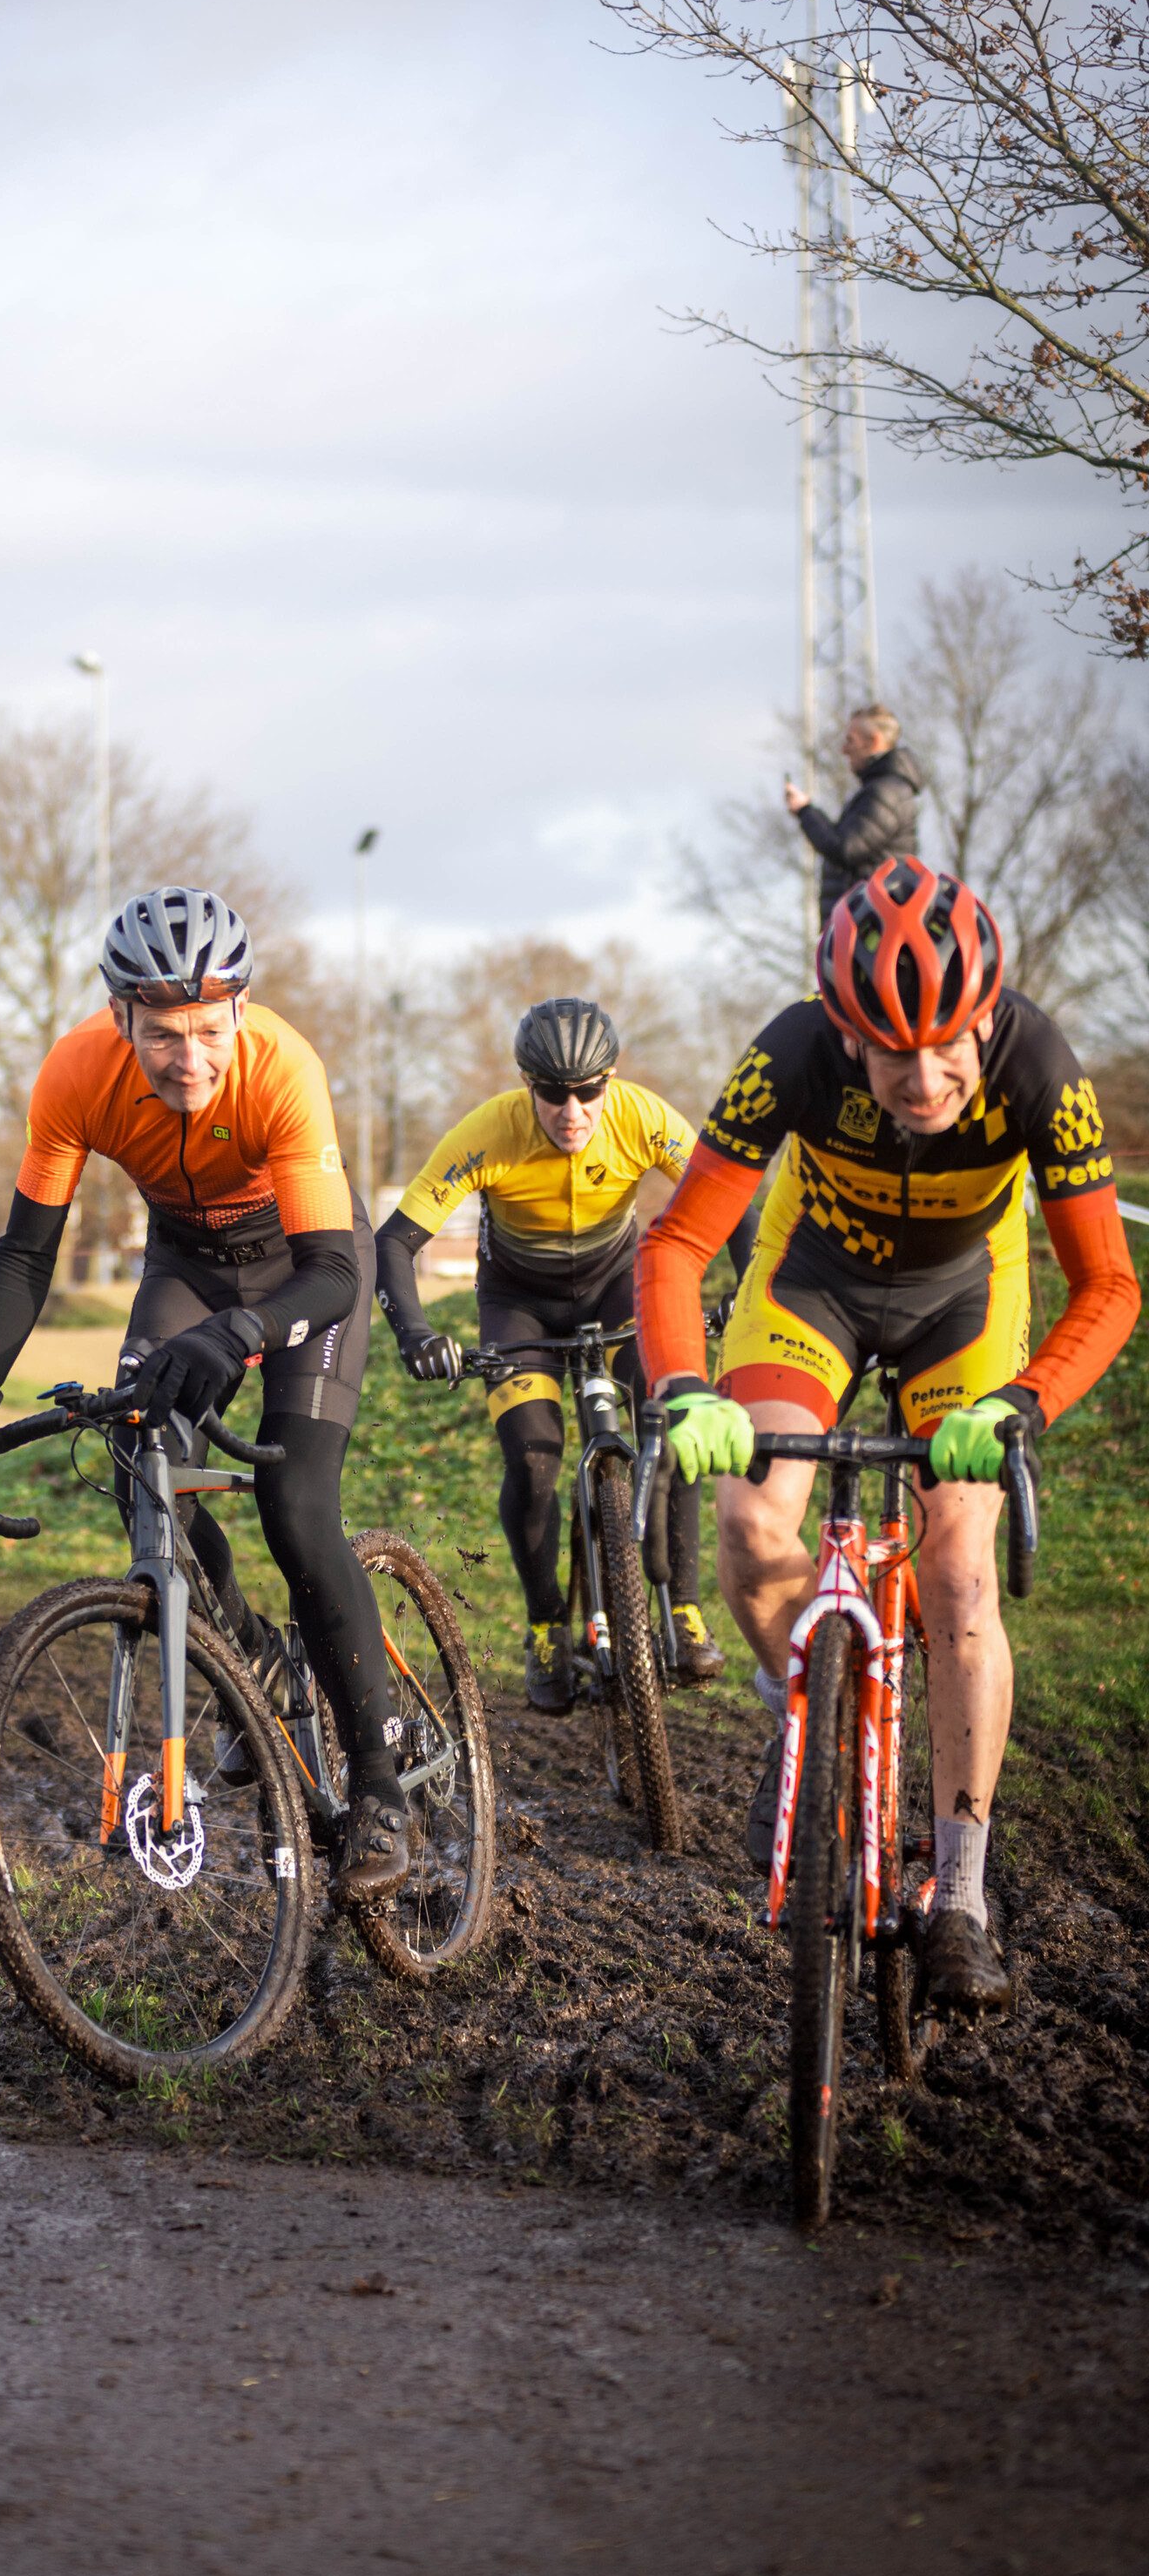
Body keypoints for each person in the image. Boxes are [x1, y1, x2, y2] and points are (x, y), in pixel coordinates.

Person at [637, 858, 1140, 2015]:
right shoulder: (791, 1053)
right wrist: (681, 1387)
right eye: (891, 1049)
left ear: (988, 1016)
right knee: (753, 1520)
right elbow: (674, 1247)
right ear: (843, 1034)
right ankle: (803, 1721)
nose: (926, 1077)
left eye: (950, 1044)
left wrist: (1024, 1404)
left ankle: (961, 1894)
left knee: (961, 1575)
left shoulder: (1041, 1069)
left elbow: (1107, 1285)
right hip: (812, 1284)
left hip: (963, 1302)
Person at [0, 885, 416, 1902]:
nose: (189, 1057)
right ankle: (254, 1667)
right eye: (160, 1034)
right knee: (140, 1458)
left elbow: (332, 1274)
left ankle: (378, 1789)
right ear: (119, 1020)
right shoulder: (73, 1076)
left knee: (295, 1504)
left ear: (237, 1012)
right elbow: (22, 1253)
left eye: (206, 1030)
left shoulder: (281, 1067)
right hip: (185, 1261)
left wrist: (243, 1333)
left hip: (305, 1265)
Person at [375, 997, 755, 1709]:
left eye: (589, 1091)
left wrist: (745, 1290)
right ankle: (548, 1621)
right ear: (528, 1085)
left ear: (610, 1081)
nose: (572, 1110)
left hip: (621, 1286)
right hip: (519, 1302)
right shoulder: (490, 1131)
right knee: (534, 1458)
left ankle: (684, 1606)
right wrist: (415, 1333)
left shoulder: (643, 1117)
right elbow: (394, 1239)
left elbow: (730, 1197)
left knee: (668, 1420)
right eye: (553, 1092)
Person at [786, 704, 923, 927]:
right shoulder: (883, 789)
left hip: (871, 926)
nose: (844, 749)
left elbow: (845, 848)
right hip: (866, 922)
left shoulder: (885, 792)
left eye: (851, 740)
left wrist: (805, 811)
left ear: (874, 741)